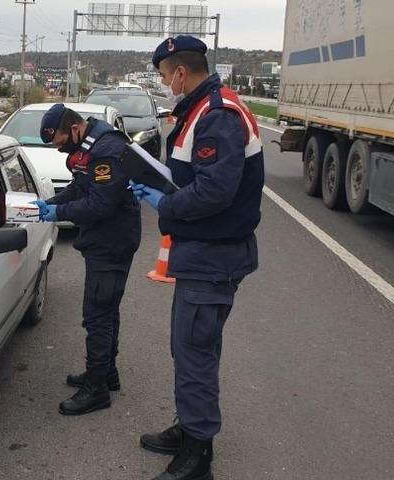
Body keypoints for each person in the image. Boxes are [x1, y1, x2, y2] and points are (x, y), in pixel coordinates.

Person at [130, 36, 265, 480]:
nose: (164, 84)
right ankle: (189, 426)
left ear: (181, 73)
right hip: (204, 253)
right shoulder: (203, 109)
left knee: (194, 353)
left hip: (213, 256)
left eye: (164, 76)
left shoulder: (217, 115)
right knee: (190, 348)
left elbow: (214, 191)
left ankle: (197, 454)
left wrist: (164, 203)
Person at [33, 104, 142, 415]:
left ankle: (97, 389)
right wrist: (50, 203)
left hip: (112, 242)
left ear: (74, 129)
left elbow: (100, 204)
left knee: (97, 313)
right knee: (106, 310)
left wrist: (59, 213)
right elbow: (80, 187)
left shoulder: (105, 150)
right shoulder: (90, 145)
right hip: (106, 239)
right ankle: (106, 373)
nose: (60, 150)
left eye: (60, 143)